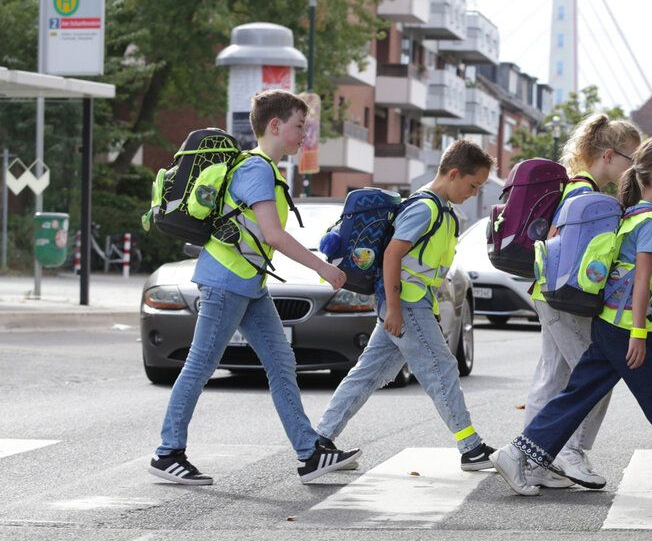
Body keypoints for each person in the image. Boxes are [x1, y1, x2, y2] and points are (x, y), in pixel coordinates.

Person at [491, 136, 652, 497]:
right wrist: (639, 332)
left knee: (578, 396)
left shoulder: (630, 215)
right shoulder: (651, 221)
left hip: (608, 323)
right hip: (627, 327)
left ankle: (515, 454)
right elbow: (641, 281)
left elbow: (635, 279)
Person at [150, 89, 358, 486]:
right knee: (200, 366)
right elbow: (273, 234)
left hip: (249, 284)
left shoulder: (265, 170)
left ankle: (310, 453)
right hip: (225, 282)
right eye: (300, 126)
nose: (304, 135)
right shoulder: (256, 170)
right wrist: (322, 268)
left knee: (281, 363)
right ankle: (168, 452)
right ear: (275, 125)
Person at [316, 139, 498, 471]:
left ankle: (319, 440)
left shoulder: (440, 208)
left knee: (367, 374)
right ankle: (471, 448)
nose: (474, 193)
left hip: (409, 303)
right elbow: (392, 255)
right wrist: (395, 309)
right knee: (441, 368)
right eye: (473, 185)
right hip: (406, 304)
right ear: (454, 174)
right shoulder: (425, 208)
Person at [523, 114, 641, 490]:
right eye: (632, 160)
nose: (634, 169)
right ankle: (571, 452)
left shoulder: (574, 188)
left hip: (547, 293)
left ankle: (531, 461)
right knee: (596, 374)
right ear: (609, 155)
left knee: (552, 377)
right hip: (564, 299)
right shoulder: (585, 196)